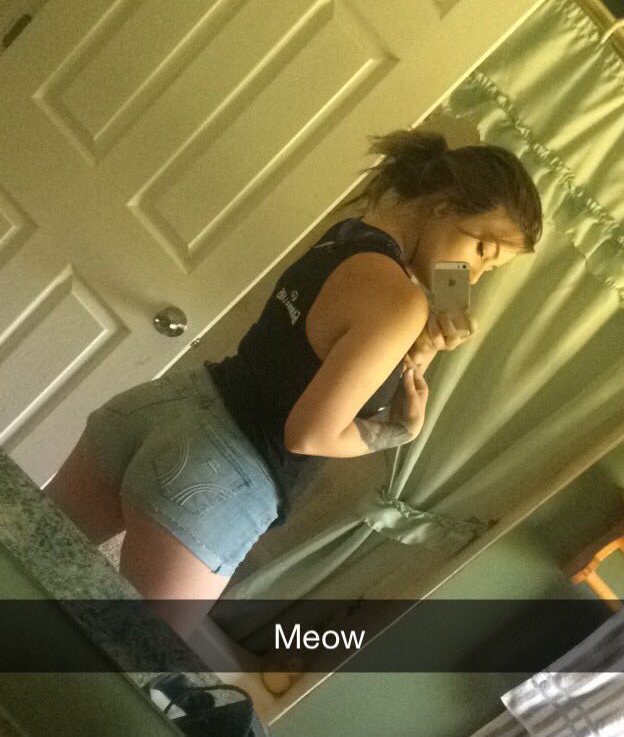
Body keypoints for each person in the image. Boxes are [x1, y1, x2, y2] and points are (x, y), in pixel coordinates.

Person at [42, 127, 542, 660]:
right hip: (219, 476)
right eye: (482, 249)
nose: (475, 275)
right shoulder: (402, 302)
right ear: (444, 203)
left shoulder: (349, 235)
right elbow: (308, 434)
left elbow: (346, 353)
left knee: (25, 560)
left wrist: (426, 342)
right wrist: (395, 432)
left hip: (160, 410)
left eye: (490, 267)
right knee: (125, 667)